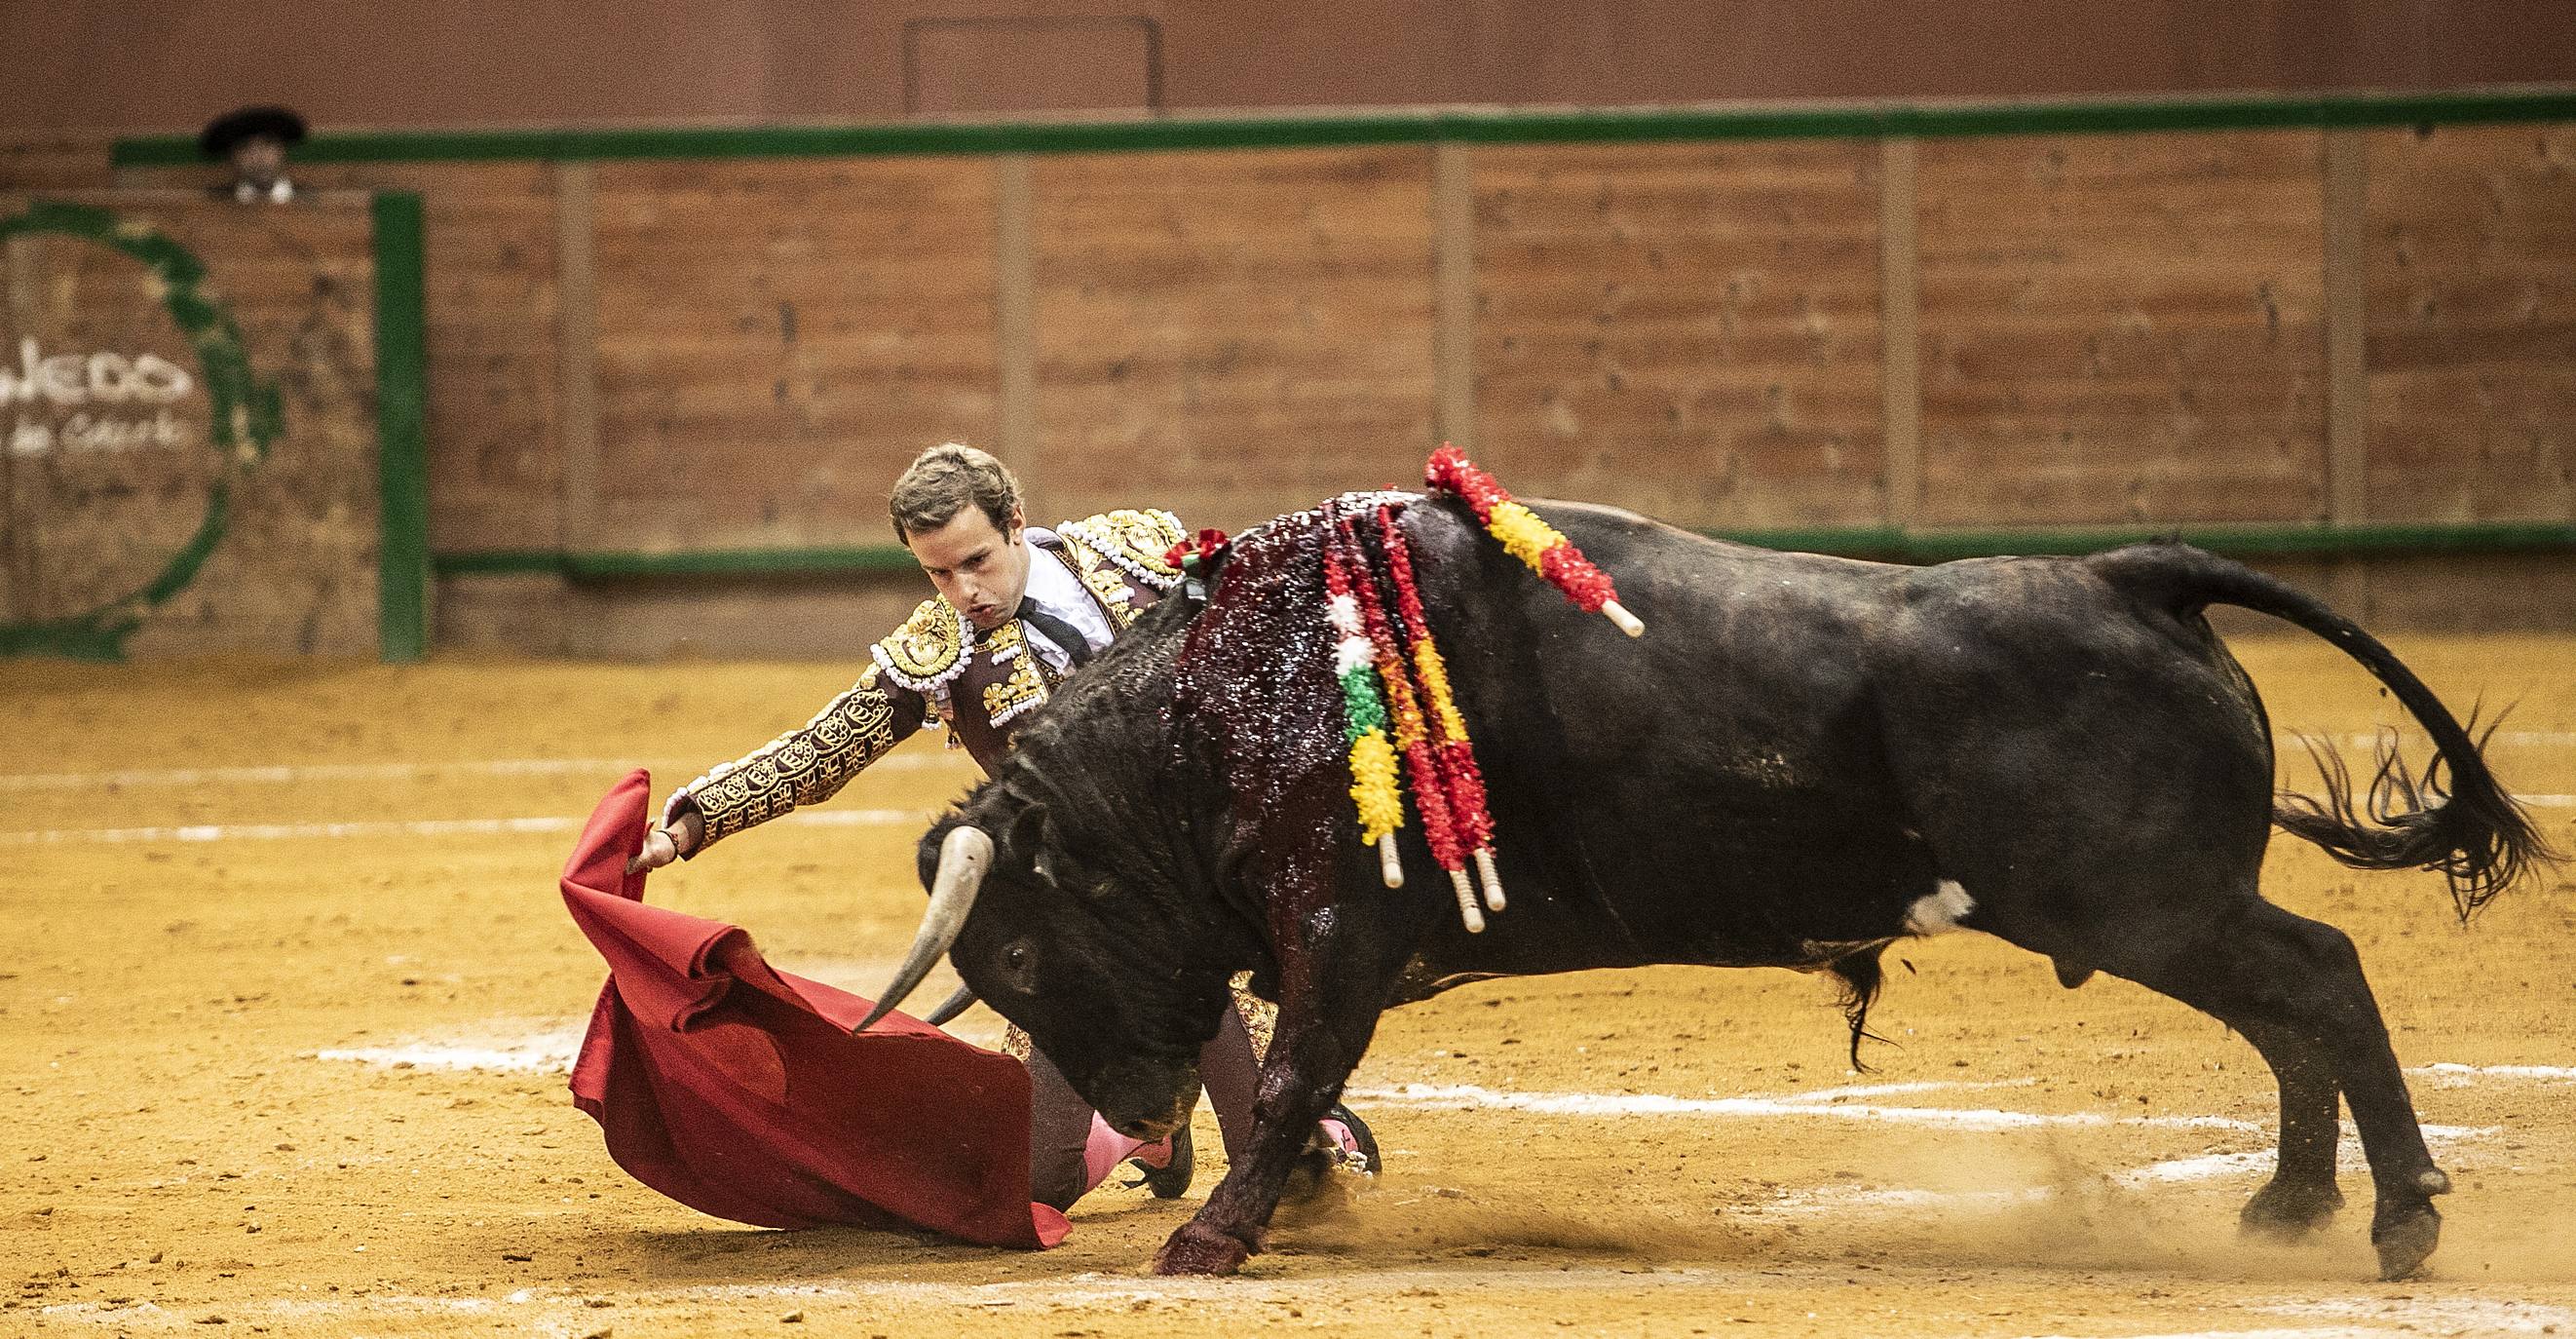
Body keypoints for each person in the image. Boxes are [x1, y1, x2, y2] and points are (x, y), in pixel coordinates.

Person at [628, 442, 1376, 1210]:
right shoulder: (938, 655)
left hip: (1202, 893)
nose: (964, 591)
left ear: (1016, 522)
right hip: (1076, 923)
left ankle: (1305, 1123)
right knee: (1035, 1185)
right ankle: (1143, 1135)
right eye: (938, 573)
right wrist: (689, 823)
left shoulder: (1135, 557)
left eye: (977, 561)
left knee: (1274, 1154)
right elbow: (824, 748)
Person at [197, 105, 306, 204]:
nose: (258, 158)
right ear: (231, 158)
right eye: (244, 148)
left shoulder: (309, 200)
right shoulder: (214, 204)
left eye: (267, 144)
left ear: (282, 151)